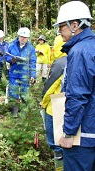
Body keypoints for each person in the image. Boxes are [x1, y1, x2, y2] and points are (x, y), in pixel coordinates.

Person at [53, 1, 95, 171]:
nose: (59, 31)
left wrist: (69, 133)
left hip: (82, 137)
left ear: (75, 25)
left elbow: (77, 95)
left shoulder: (79, 51)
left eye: (61, 26)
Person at [41, 55, 66, 170]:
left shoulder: (60, 63)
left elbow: (50, 87)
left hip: (58, 104)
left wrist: (43, 103)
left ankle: (59, 167)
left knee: (57, 144)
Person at [5, 27, 37, 117]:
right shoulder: (11, 45)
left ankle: (24, 111)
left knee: (24, 92)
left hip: (24, 73)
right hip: (14, 72)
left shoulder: (31, 48)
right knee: (13, 91)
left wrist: (33, 75)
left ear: (28, 38)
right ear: (18, 36)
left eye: (25, 37)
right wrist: (12, 60)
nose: (23, 39)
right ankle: (14, 111)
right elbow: (6, 56)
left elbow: (33, 62)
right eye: (21, 37)